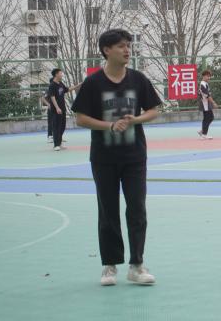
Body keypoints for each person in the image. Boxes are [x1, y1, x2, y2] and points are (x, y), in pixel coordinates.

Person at [71, 29, 162, 287]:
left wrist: (136, 119)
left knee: (137, 209)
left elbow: (154, 110)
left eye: (128, 46)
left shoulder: (138, 79)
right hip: (103, 158)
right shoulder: (93, 83)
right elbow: (80, 118)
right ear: (106, 50)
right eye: (121, 46)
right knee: (108, 211)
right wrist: (109, 126)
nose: (127, 50)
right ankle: (109, 266)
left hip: (135, 157)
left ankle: (137, 265)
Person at [41, 68, 80, 150]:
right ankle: (56, 145)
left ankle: (59, 143)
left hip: (63, 108)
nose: (62, 75)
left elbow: (67, 89)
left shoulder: (61, 83)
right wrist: (57, 107)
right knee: (56, 126)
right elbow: (52, 97)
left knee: (62, 126)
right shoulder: (52, 85)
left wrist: (77, 85)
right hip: (56, 110)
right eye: (60, 73)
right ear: (56, 74)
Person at [197, 69, 218, 140]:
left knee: (210, 117)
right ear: (203, 76)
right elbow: (207, 95)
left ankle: (202, 131)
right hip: (204, 103)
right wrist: (213, 103)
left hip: (206, 103)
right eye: (207, 76)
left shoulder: (205, 84)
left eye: (209, 76)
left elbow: (208, 94)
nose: (209, 78)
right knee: (207, 118)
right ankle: (204, 134)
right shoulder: (203, 84)